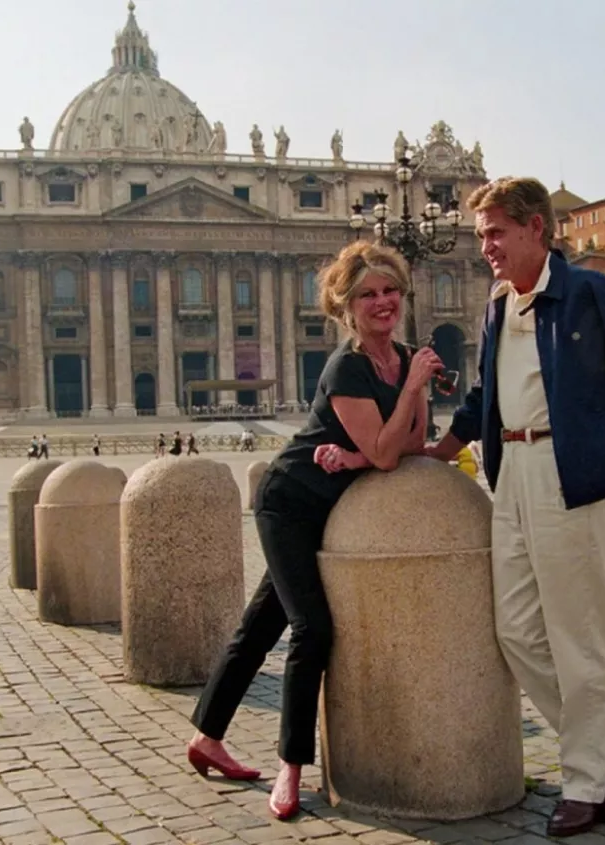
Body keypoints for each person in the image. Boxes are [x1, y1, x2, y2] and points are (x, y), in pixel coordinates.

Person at [426, 177, 605, 838]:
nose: (486, 247)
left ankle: (585, 782)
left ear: (536, 228)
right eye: (482, 235)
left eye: (496, 232)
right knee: (517, 631)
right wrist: (442, 450)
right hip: (511, 472)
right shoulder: (498, 306)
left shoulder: (592, 293)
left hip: (566, 471)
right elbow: (484, 395)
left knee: (581, 639)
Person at [187, 241, 442, 821]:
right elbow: (388, 451)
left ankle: (206, 736)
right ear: (346, 307)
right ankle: (291, 766)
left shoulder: (407, 358)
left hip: (332, 501)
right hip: (291, 500)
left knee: (259, 626)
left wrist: (358, 455)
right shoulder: (347, 367)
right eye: (367, 295)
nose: (383, 302)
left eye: (390, 290)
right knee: (312, 630)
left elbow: (411, 444)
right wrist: (405, 399)